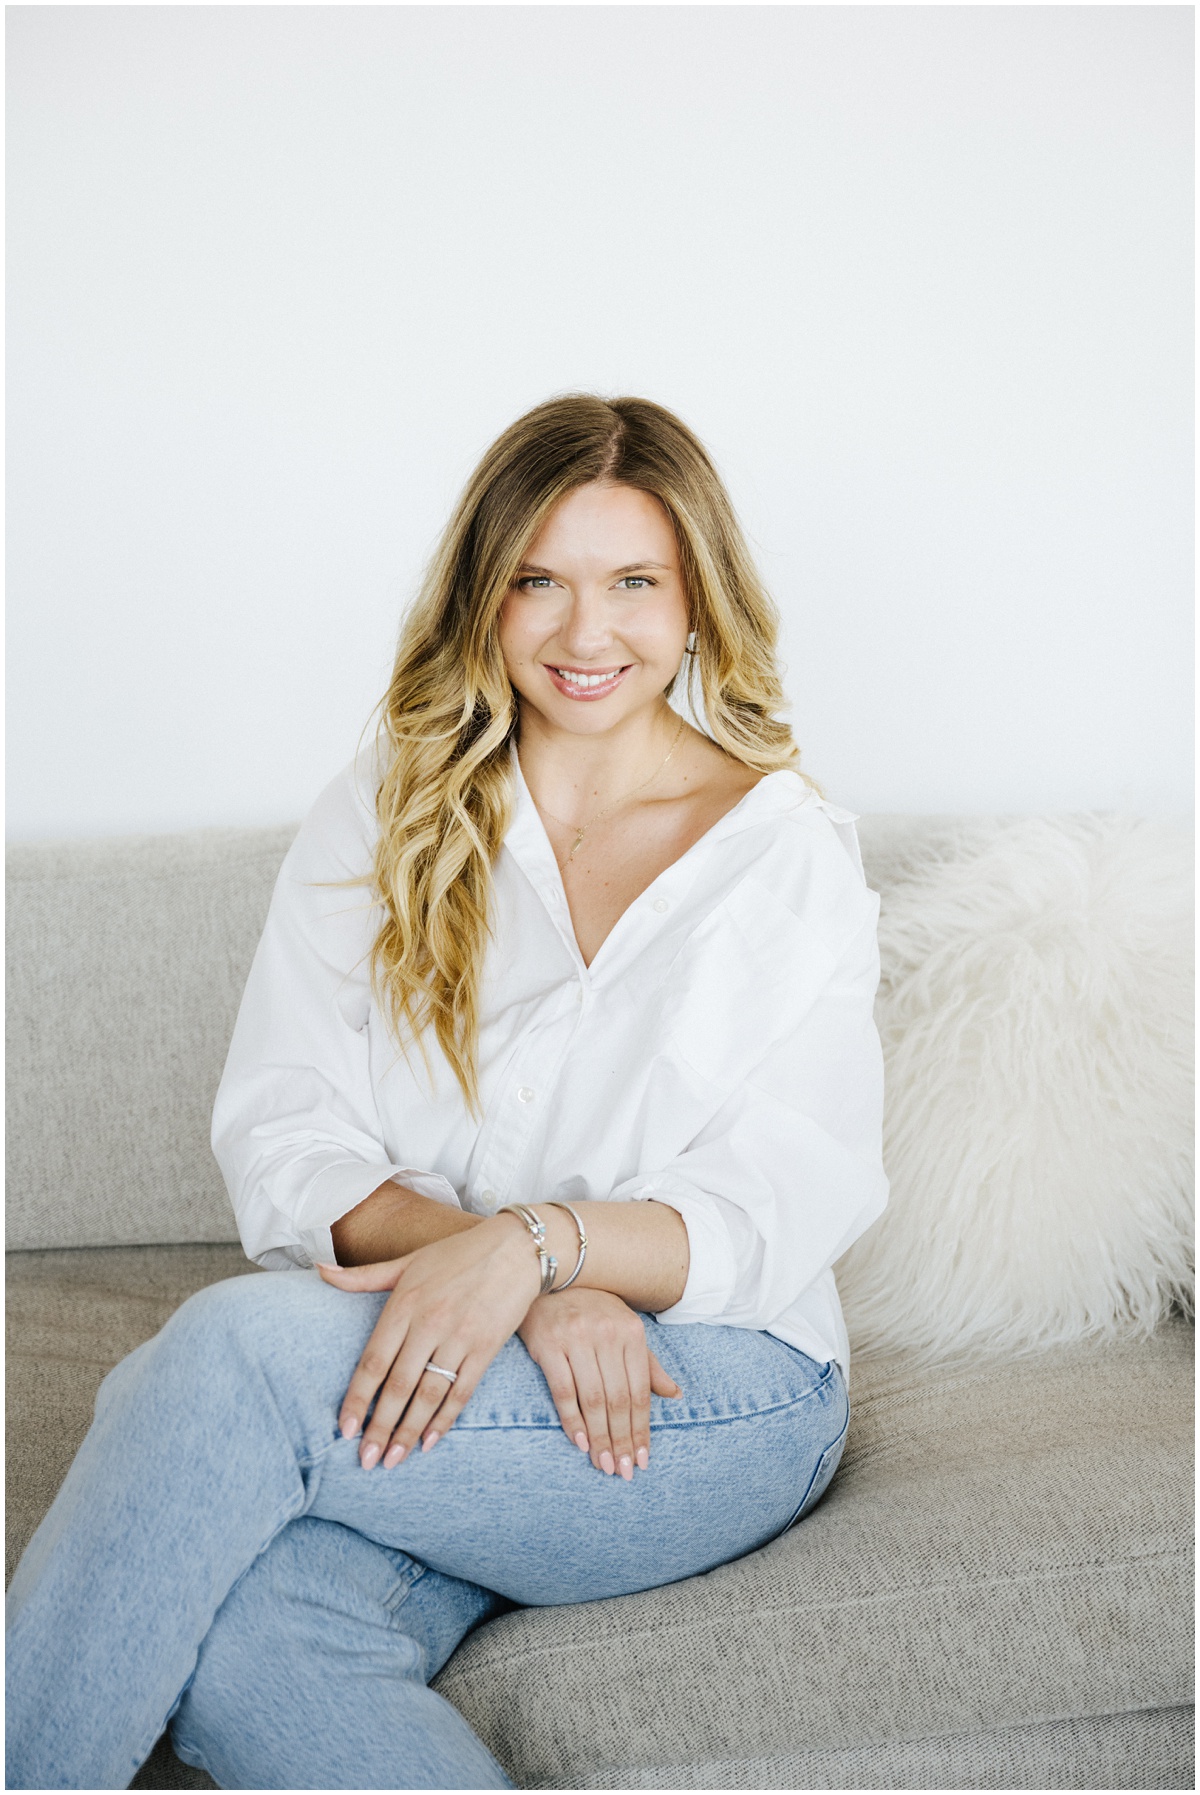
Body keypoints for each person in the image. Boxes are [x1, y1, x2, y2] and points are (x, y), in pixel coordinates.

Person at [6, 394, 887, 1791]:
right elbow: (287, 1135)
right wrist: (510, 1286)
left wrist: (542, 1249)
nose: (582, 634)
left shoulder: (784, 856)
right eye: (537, 580)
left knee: (227, 1360)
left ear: (698, 600)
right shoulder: (390, 807)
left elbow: (780, 1199)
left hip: (713, 1385)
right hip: (467, 1349)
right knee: (256, 1655)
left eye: (632, 584)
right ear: (483, 596)